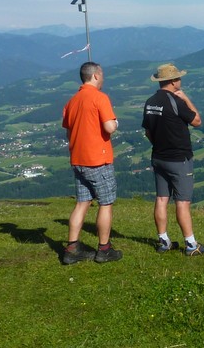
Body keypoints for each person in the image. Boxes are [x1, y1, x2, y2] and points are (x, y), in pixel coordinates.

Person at [143, 63, 204, 256]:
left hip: (158, 157)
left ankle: (164, 241)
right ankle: (191, 245)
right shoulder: (176, 101)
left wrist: (159, 145)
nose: (180, 81)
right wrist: (187, 99)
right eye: (179, 78)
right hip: (179, 159)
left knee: (161, 199)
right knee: (182, 202)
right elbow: (197, 122)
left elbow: (148, 131)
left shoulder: (150, 102)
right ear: (173, 81)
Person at [61, 61, 122, 264]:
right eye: (102, 74)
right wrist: (115, 122)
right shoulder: (100, 98)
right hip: (98, 159)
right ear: (95, 76)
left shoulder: (72, 101)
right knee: (105, 203)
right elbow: (109, 127)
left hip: (78, 158)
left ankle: (72, 248)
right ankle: (104, 249)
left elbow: (69, 132)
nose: (103, 78)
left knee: (82, 203)